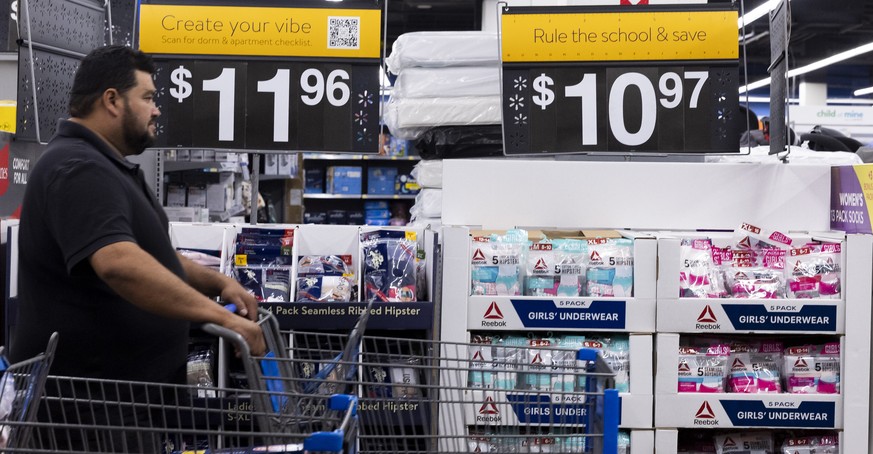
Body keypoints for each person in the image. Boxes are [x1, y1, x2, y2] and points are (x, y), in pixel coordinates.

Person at [10, 45, 265, 383]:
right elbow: (120, 264)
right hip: (89, 412)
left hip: (120, 404)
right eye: (147, 98)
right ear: (112, 100)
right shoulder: (78, 168)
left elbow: (148, 256)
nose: (156, 110)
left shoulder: (102, 165)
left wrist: (218, 282)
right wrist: (222, 316)